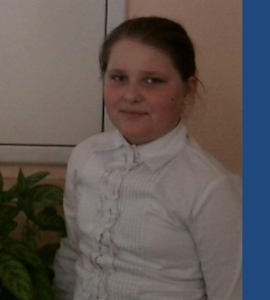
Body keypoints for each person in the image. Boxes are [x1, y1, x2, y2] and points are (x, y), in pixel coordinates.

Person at [53, 16, 242, 300]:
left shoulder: (211, 187)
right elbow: (74, 255)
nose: (131, 95)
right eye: (119, 78)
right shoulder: (86, 157)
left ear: (188, 91)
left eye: (152, 81)